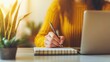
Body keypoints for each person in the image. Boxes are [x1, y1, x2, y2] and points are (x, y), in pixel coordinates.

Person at [34, 0, 110, 48]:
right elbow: (39, 37)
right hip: (67, 59)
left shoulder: (106, 7)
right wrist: (47, 41)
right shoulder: (58, 5)